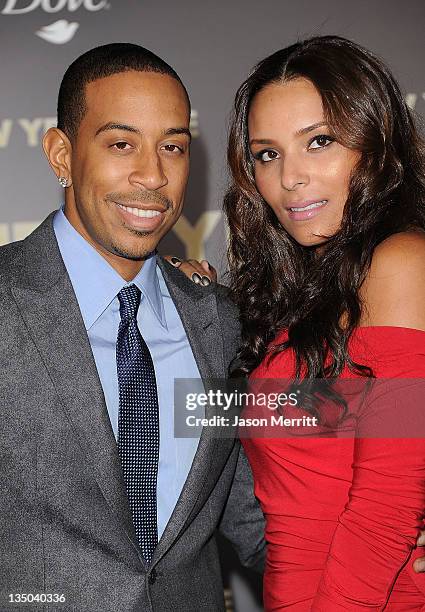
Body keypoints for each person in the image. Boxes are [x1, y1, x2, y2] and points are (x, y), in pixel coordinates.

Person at [0, 43, 266, 612]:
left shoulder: (217, 321)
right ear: (61, 154)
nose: (153, 175)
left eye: (172, 146)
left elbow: (256, 512)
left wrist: (396, 535)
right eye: (122, 145)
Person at [174, 35, 425, 609]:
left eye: (319, 142)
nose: (291, 178)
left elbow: (385, 509)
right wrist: (184, 309)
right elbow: (257, 421)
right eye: (268, 154)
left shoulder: (402, 263)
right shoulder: (294, 304)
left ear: (377, 142)